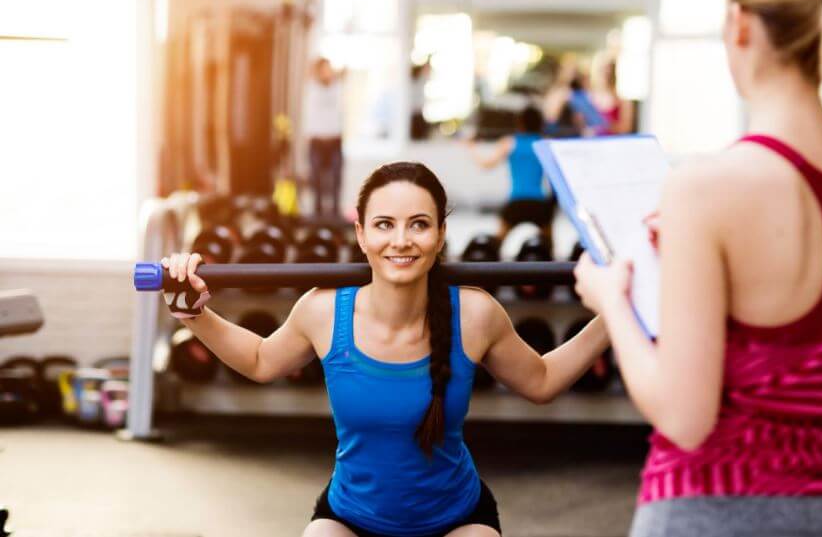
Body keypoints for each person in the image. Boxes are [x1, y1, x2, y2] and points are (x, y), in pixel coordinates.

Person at [573, 0, 822, 536]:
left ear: (740, 24)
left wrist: (613, 299)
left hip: (703, 513)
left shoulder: (704, 186)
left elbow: (685, 418)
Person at [162, 162, 611, 537]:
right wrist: (193, 313)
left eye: (419, 224)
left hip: (456, 521)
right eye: (384, 224)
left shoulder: (474, 314)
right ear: (361, 234)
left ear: (439, 235)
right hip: (350, 520)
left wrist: (617, 310)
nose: (401, 240)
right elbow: (261, 361)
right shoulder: (323, 311)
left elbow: (543, 381)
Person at [466, 105, 555, 241]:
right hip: (539, 203)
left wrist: (471, 148)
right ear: (540, 124)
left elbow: (486, 165)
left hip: (516, 202)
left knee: (497, 244)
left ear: (520, 123)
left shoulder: (509, 143)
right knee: (550, 249)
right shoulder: (545, 143)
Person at [303, 57, 345, 218]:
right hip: (317, 140)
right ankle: (318, 210)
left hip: (334, 140)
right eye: (324, 69)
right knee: (316, 178)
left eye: (329, 69)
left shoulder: (338, 88)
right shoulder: (312, 88)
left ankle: (335, 211)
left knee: (336, 177)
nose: (327, 72)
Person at [591, 59, 634, 136]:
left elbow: (626, 128)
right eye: (602, 71)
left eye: (609, 71)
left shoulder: (623, 101)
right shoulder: (589, 98)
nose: (606, 74)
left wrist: (605, 125)